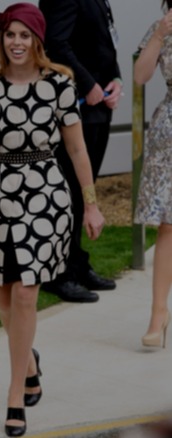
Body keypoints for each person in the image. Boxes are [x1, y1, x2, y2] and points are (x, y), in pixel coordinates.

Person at [0, 4, 105, 436]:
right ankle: (29, 360)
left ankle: (16, 393)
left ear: (38, 40)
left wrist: (91, 203)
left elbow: (78, 150)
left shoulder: (59, 85)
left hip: (45, 194)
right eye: (10, 34)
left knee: (27, 293)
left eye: (25, 35)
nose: (16, 42)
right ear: (2, 38)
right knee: (3, 292)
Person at [38, 0, 122, 303]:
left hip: (99, 105)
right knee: (67, 192)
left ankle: (75, 263)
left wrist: (116, 79)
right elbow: (55, 43)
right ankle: (56, 273)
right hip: (73, 105)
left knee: (82, 188)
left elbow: (106, 40)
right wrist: (87, 84)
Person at [133, 0, 172, 349]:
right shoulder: (162, 29)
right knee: (168, 224)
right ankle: (158, 315)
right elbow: (140, 76)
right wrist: (160, 34)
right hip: (168, 136)